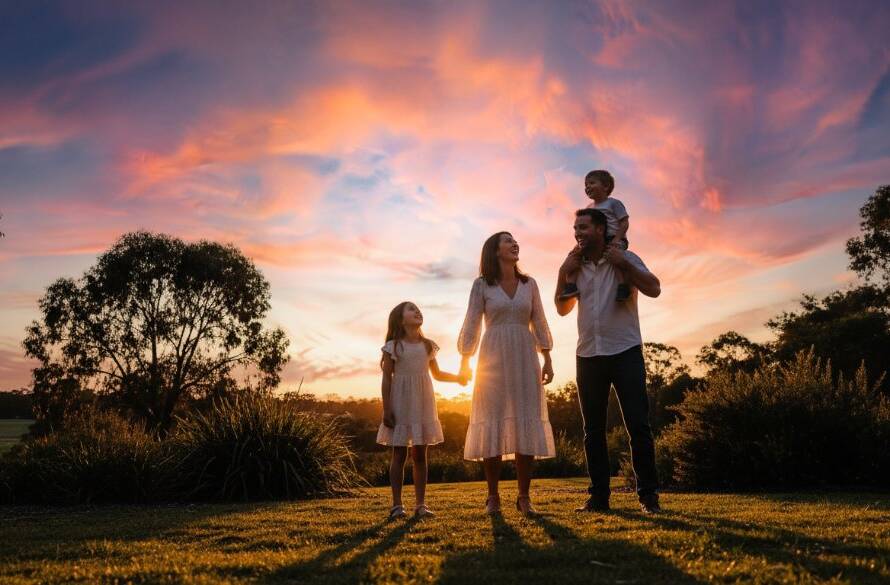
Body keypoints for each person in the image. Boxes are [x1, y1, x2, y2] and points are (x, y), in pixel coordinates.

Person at [554, 208, 663, 514]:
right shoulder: (574, 265)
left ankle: (648, 496)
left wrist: (625, 262)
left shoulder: (625, 258)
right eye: (575, 227)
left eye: (584, 227)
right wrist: (563, 271)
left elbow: (654, 288)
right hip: (588, 354)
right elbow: (561, 309)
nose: (578, 232)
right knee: (593, 431)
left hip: (625, 351)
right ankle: (598, 498)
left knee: (638, 426)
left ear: (601, 229)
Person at [458, 231, 556, 516]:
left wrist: (547, 357)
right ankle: (493, 496)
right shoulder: (482, 285)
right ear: (495, 250)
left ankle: (524, 497)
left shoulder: (530, 284)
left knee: (526, 419)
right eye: (507, 240)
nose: (515, 244)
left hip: (525, 356)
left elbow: (539, 320)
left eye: (515, 240)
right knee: (493, 420)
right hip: (492, 357)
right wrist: (465, 360)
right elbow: (472, 322)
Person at [377, 301, 468, 520]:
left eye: (418, 309)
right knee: (399, 453)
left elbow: (436, 374)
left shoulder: (427, 345)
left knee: (420, 454)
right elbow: (386, 380)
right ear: (400, 319)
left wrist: (458, 379)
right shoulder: (393, 346)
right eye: (411, 309)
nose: (417, 311)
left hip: (423, 402)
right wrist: (386, 408)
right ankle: (397, 505)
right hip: (400, 403)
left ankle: (420, 505)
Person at [559, 170, 632, 302]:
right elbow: (587, 228)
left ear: (605, 186)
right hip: (596, 240)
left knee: (615, 258)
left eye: (592, 183)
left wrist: (617, 239)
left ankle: (623, 286)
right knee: (574, 255)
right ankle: (571, 285)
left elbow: (624, 222)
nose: (587, 187)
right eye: (586, 185)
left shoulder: (613, 203)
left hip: (613, 238)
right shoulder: (589, 208)